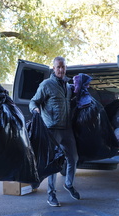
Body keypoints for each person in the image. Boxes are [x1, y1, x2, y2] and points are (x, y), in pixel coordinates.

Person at [30, 56, 80, 207]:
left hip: (67, 129)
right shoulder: (46, 85)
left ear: (66, 68)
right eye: (58, 67)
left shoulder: (69, 86)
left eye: (63, 67)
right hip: (52, 130)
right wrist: (35, 109)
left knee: (73, 158)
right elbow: (34, 101)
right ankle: (51, 195)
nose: (61, 70)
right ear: (53, 68)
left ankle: (69, 184)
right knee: (53, 163)